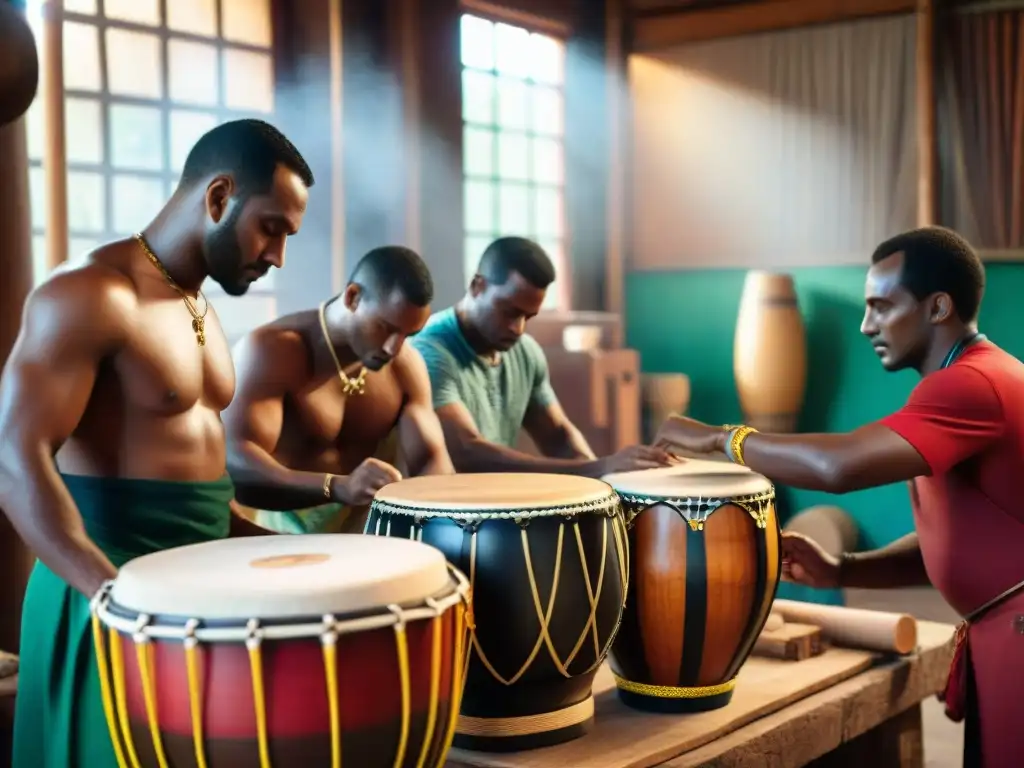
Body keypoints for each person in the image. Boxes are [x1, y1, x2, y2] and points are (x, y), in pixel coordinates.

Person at [0, 118, 314, 768]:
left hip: (191, 602)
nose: (278, 255)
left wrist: (301, 553)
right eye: (273, 227)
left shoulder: (200, 306)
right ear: (219, 196)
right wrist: (111, 597)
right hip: (105, 600)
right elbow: (12, 459)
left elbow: (188, 493)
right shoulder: (90, 294)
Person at [652, 226, 1024, 767]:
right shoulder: (976, 375)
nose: (865, 323)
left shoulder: (971, 385)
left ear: (937, 307)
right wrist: (842, 569)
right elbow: (961, 545)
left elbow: (838, 466)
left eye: (881, 305)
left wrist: (719, 438)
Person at [224, 245, 453, 534]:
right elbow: (235, 461)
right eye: (385, 327)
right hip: (279, 539)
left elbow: (432, 461)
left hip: (372, 539)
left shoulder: (406, 366)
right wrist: (336, 486)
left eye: (408, 335)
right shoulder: (273, 351)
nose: (393, 348)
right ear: (353, 297)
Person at [412, 236, 675, 477]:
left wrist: (606, 484)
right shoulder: (430, 351)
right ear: (477, 286)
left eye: (528, 317)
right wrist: (596, 468)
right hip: (445, 515)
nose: (518, 328)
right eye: (509, 312)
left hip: (495, 506)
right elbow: (466, 452)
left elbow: (558, 437)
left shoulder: (525, 351)